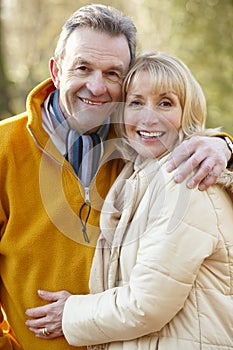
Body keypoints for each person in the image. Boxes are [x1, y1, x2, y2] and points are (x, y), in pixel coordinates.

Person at [0, 4, 232, 349]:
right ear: (56, 71)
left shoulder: (142, 145)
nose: (96, 86)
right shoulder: (5, 147)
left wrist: (224, 147)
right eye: (83, 68)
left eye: (112, 73)